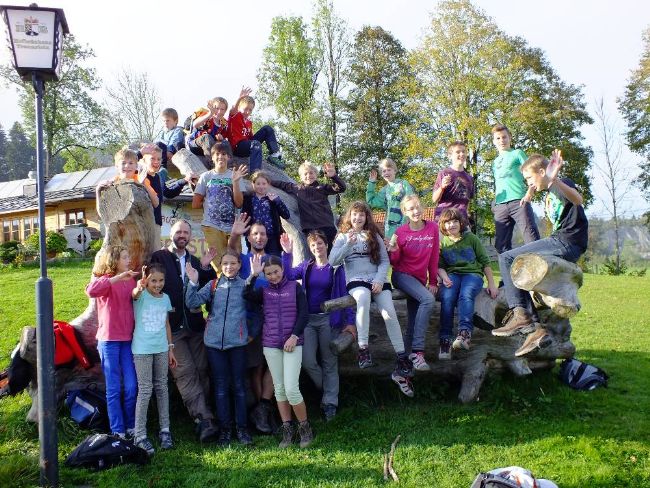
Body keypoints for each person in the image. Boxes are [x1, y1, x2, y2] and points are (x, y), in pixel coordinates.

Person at [492, 150, 588, 357]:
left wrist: (554, 180)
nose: (528, 182)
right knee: (522, 267)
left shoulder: (560, 184)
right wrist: (530, 192)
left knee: (507, 257)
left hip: (566, 241)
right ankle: (536, 330)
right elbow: (540, 184)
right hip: (564, 241)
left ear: (543, 172)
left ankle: (521, 314)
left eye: (528, 178)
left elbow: (578, 199)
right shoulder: (549, 189)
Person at [329, 201, 414, 397]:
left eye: (362, 215)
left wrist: (378, 279)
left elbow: (384, 261)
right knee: (363, 298)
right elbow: (333, 261)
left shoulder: (374, 235)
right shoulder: (342, 236)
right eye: (354, 215)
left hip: (377, 280)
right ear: (349, 217)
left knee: (389, 312)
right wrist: (348, 244)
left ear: (367, 217)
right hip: (356, 280)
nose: (358, 218)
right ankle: (363, 349)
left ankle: (401, 357)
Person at [149, 220, 219, 442]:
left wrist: (206, 268)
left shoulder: (194, 260)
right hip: (172, 327)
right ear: (171, 234)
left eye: (186, 232)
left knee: (202, 368)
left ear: (190, 236)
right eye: (178, 231)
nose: (182, 235)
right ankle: (203, 419)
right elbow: (152, 284)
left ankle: (207, 412)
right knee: (185, 372)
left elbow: (207, 287)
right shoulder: (159, 257)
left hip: (196, 325)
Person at [280, 230, 356, 421]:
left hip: (328, 320)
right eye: (313, 245)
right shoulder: (307, 266)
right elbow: (287, 274)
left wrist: (350, 322)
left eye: (320, 244)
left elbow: (345, 296)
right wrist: (287, 253)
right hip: (308, 320)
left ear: (327, 245)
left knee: (330, 362)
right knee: (307, 361)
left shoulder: (336, 268)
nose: (317, 247)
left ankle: (330, 402)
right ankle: (329, 389)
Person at [243, 254, 314, 448]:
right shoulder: (264, 290)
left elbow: (304, 314)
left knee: (292, 388)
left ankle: (305, 428)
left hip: (292, 343)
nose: (273, 276)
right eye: (269, 273)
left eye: (276, 272)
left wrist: (294, 336)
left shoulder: (295, 287)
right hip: (271, 344)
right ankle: (287, 429)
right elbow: (246, 294)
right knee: (280, 389)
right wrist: (254, 275)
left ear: (282, 270)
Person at [185, 250, 253, 447]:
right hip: (214, 344)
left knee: (239, 387)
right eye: (225, 264)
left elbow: (258, 306)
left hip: (238, 343)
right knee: (221, 388)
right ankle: (225, 429)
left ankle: (242, 428)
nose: (229, 267)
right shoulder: (214, 285)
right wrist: (192, 282)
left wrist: (249, 333)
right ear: (220, 266)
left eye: (233, 263)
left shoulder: (245, 285)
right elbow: (192, 302)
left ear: (239, 265)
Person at [227, 214, 277, 435]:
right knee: (256, 366)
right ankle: (260, 412)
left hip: (275, 320)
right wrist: (234, 234)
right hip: (251, 321)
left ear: (267, 237)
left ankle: (265, 408)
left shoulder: (274, 259)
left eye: (263, 234)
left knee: (274, 366)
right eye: (255, 233)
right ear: (249, 237)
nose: (259, 237)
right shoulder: (244, 259)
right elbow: (230, 252)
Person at [85, 245, 138, 438]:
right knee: (114, 388)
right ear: (114, 260)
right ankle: (118, 430)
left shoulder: (131, 281)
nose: (128, 260)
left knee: (132, 386)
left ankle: (132, 426)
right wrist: (116, 278)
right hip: (108, 341)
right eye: (125, 257)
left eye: (128, 257)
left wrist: (140, 286)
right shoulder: (105, 280)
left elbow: (135, 299)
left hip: (128, 341)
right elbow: (91, 291)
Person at [437, 208, 498, 359]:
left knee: (465, 294)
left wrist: (491, 284)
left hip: (472, 275)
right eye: (448, 222)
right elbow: (440, 265)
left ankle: (464, 334)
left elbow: (485, 262)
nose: (451, 225)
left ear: (461, 223)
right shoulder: (443, 243)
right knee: (447, 297)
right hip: (452, 275)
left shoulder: (471, 238)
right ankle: (445, 340)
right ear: (443, 226)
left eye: (455, 221)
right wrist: (444, 277)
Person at [387, 195, 439, 371]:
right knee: (428, 300)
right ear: (404, 212)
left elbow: (434, 257)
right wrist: (393, 251)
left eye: (417, 207)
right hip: (401, 276)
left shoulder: (432, 227)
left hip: (419, 279)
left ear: (422, 208)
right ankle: (418, 352)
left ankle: (403, 370)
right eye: (410, 209)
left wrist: (433, 281)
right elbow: (394, 262)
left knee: (412, 322)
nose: (415, 211)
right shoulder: (400, 233)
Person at [131, 263, 177, 455]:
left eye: (161, 280)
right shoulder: (140, 296)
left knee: (162, 387)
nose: (157, 284)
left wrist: (170, 349)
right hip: (142, 350)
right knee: (145, 390)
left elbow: (166, 324)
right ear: (147, 280)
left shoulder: (165, 298)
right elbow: (134, 294)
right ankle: (140, 435)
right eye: (153, 280)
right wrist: (140, 286)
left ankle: (165, 430)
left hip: (161, 349)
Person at [192, 141, 247, 269]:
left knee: (235, 260)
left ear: (229, 157)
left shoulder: (235, 176)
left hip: (233, 226)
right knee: (218, 264)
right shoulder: (206, 176)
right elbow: (195, 203)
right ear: (212, 157)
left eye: (224, 154)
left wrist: (236, 183)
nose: (220, 156)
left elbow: (239, 203)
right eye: (217, 154)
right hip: (212, 225)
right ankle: (219, 287)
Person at [271, 161, 346, 252]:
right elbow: (282, 184)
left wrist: (334, 176)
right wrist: (266, 181)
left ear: (316, 174)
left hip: (327, 227)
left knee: (333, 254)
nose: (308, 176)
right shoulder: (297, 188)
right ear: (301, 177)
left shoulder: (322, 188)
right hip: (311, 229)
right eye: (305, 174)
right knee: (318, 254)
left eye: (311, 173)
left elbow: (341, 188)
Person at [491, 124, 540, 253]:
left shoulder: (517, 153)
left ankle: (540, 271)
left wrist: (529, 193)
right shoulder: (495, 162)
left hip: (519, 201)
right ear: (494, 141)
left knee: (531, 239)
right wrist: (494, 204)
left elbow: (533, 172)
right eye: (498, 138)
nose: (502, 140)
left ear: (510, 138)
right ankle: (507, 273)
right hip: (500, 205)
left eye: (504, 137)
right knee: (501, 246)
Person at [139, 143, 194, 248]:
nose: (156, 162)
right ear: (144, 160)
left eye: (159, 159)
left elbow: (168, 193)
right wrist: (140, 153)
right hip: (142, 223)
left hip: (155, 223)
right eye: (152, 159)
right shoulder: (139, 176)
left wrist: (184, 180)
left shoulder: (158, 177)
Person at [227, 87, 284, 170]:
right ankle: (255, 173)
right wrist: (240, 98)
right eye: (245, 109)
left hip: (247, 145)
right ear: (239, 107)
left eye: (250, 110)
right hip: (237, 147)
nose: (248, 112)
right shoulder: (235, 116)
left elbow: (250, 138)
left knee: (267, 129)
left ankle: (274, 154)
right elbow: (233, 111)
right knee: (256, 144)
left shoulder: (249, 123)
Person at [95, 147, 158, 215]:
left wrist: (143, 184)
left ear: (136, 166)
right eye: (123, 163)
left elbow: (156, 203)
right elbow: (102, 214)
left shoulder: (142, 180)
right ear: (117, 166)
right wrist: (98, 191)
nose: (127, 166)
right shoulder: (112, 183)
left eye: (131, 163)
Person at [242, 170, 290, 256]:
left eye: (264, 184)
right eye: (258, 183)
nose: (261, 186)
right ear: (253, 184)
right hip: (255, 237)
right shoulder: (248, 199)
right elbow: (244, 216)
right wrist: (246, 234)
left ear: (268, 184)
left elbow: (286, 215)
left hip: (271, 236)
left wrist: (277, 201)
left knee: (273, 261)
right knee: (256, 261)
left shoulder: (272, 199)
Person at [366, 158, 415, 239]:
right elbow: (371, 201)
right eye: (384, 171)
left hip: (405, 225)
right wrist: (371, 183)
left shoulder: (403, 184)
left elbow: (412, 201)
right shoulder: (384, 190)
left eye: (389, 170)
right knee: (391, 250)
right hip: (390, 229)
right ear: (381, 174)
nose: (386, 172)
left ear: (394, 171)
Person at [432, 141, 475, 221]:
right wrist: (442, 187)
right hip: (444, 219)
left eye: (464, 151)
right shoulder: (444, 173)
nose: (461, 154)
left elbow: (467, 201)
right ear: (450, 156)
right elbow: (434, 199)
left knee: (470, 234)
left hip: (461, 220)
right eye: (458, 152)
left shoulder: (470, 178)